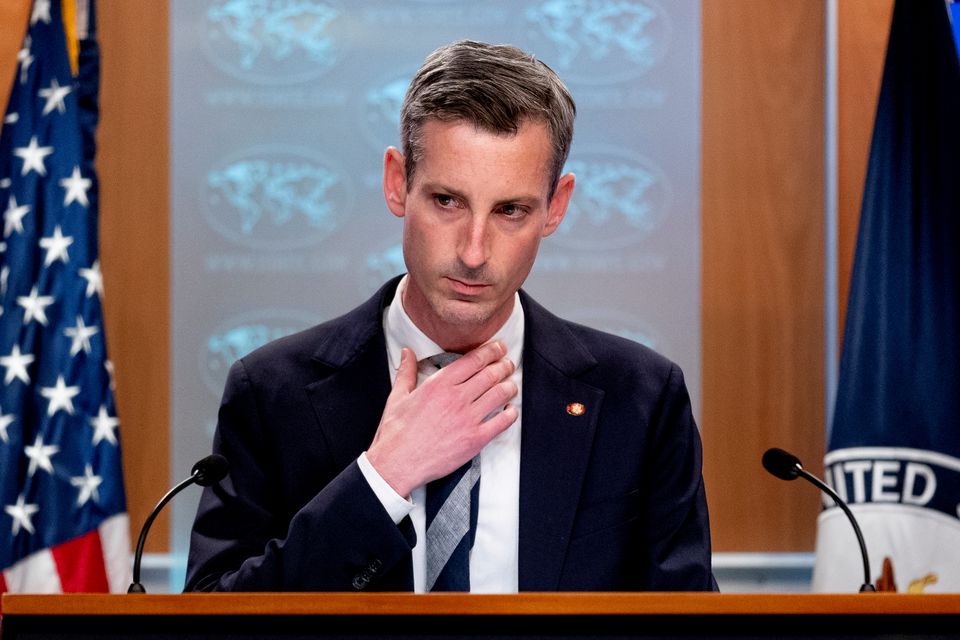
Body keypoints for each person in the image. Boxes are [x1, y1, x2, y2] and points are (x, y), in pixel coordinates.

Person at [185, 40, 717, 593]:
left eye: (510, 210)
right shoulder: (273, 392)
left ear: (556, 206)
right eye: (447, 201)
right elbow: (213, 619)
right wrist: (382, 480)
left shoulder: (641, 400)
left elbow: (686, 628)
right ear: (398, 182)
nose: (474, 251)